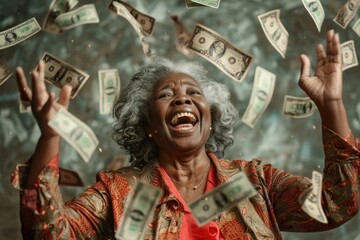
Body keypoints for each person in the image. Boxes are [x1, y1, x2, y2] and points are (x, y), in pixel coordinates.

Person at [12, 29, 359, 239]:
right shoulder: (118, 192)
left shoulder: (257, 182)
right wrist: (51, 135)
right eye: (166, 95)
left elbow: (336, 205)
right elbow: (46, 234)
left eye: (194, 93)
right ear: (148, 126)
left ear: (210, 117)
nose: (182, 97)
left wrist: (332, 104)